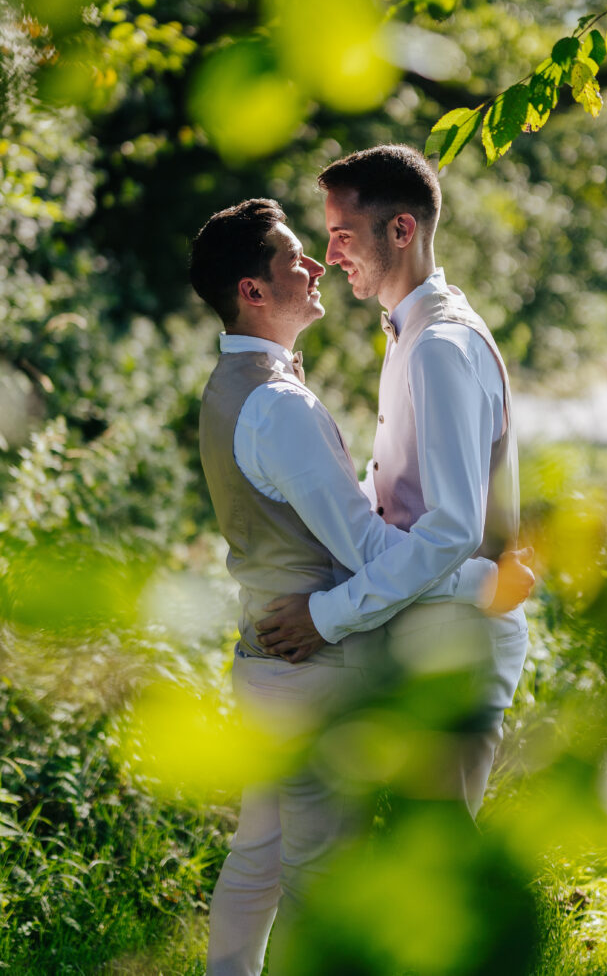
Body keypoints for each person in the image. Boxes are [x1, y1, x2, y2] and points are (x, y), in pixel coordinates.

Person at [190, 196, 531, 976]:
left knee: (260, 851)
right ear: (253, 291)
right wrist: (481, 579)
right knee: (320, 872)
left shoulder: (230, 387)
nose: (315, 267)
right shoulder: (279, 406)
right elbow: (369, 546)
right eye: (294, 259)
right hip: (310, 664)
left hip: (261, 655)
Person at [257, 144, 533, 817]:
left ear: (401, 230)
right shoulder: (415, 332)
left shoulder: (439, 345)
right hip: (435, 625)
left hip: (459, 638)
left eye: (343, 235)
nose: (329, 256)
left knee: (439, 853)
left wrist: (328, 616)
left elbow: (451, 530)